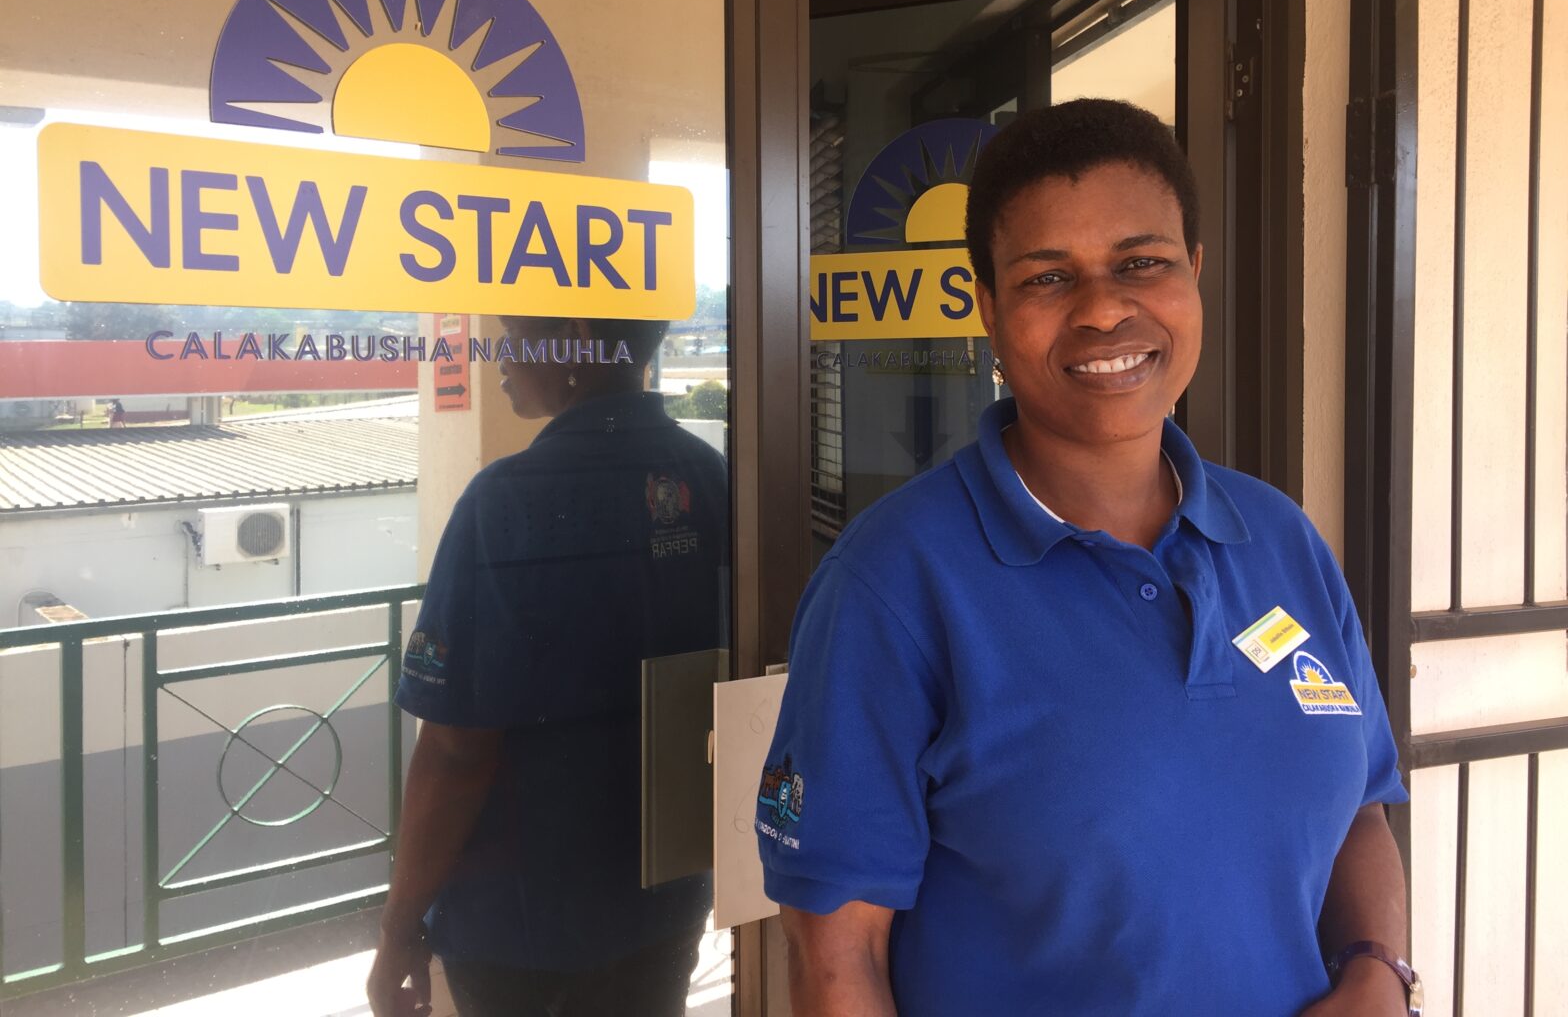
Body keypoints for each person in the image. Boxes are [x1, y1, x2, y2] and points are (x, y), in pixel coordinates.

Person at [755, 100, 1418, 1017]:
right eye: (1047, 278)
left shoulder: (1280, 537)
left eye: (1141, 263)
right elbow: (838, 958)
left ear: (1195, 273)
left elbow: (1359, 806)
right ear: (989, 310)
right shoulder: (894, 584)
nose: (1104, 309)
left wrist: (1379, 971)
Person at [368, 314, 728, 1017]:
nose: (499, 356)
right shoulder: (710, 476)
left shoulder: (504, 501)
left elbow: (455, 752)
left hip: (521, 923)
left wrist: (397, 928)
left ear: (576, 341)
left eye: (514, 336)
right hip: (665, 899)